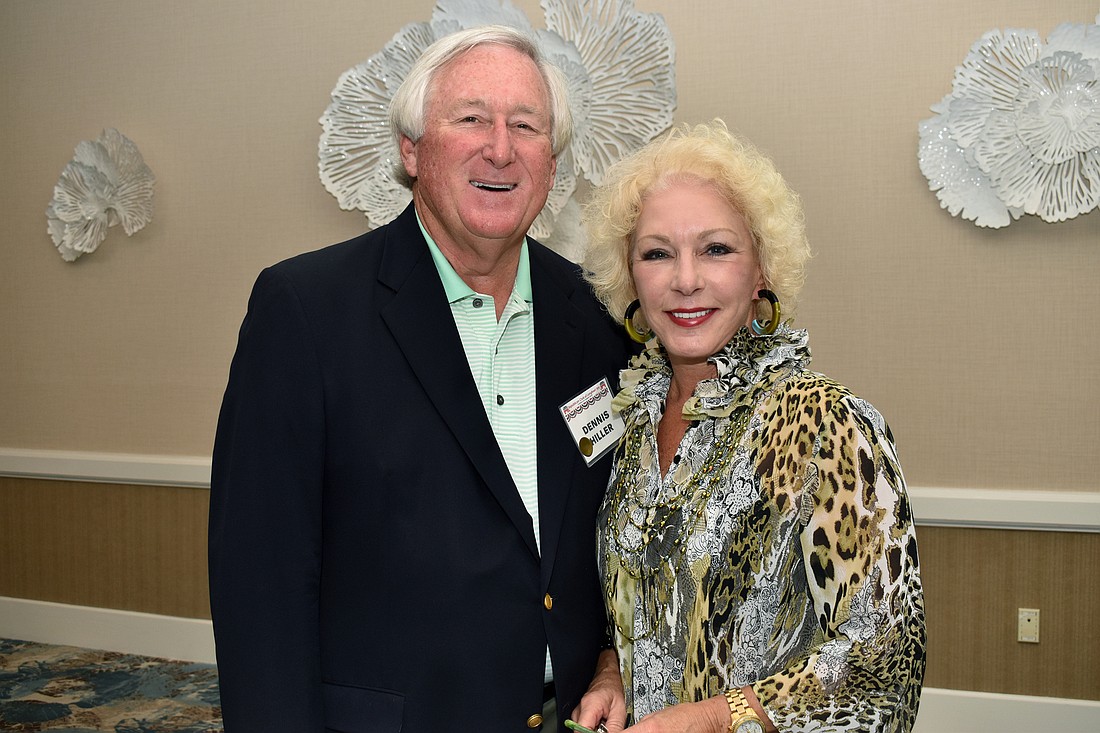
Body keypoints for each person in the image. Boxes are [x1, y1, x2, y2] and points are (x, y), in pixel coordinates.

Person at [208, 25, 631, 732]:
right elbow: (261, 581)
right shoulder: (306, 311)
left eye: (526, 126)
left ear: (552, 164)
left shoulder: (595, 316)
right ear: (411, 149)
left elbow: (617, 526)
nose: (500, 148)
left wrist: (613, 659)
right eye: (471, 118)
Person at [570, 120, 926, 732]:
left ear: (761, 270)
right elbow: (639, 608)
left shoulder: (827, 424)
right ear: (630, 277)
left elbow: (883, 667)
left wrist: (716, 719)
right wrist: (612, 672)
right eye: (657, 253)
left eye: (716, 249)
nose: (686, 279)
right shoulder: (629, 420)